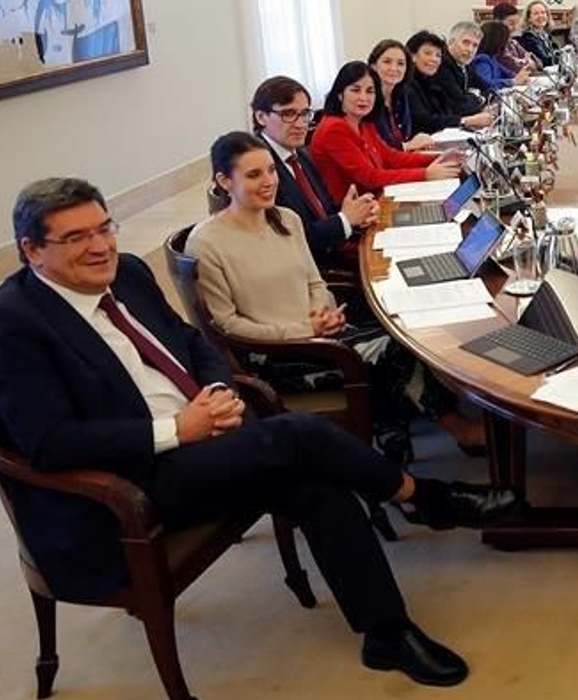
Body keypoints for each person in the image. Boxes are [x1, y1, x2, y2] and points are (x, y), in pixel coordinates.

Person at [0, 178, 517, 686]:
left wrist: (221, 392)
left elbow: (192, 342)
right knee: (301, 437)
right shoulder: (8, 329)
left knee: (315, 484)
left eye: (105, 227)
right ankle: (424, 498)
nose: (101, 246)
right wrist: (177, 428)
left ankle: (387, 633)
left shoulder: (127, 273)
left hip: (205, 436)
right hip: (128, 485)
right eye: (76, 237)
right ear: (32, 250)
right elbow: (49, 444)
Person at [189, 133, 485, 462]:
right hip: (278, 354)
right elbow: (227, 326)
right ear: (223, 180)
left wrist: (324, 312)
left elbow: (315, 282)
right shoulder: (207, 244)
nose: (269, 181)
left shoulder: (286, 220)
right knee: (393, 349)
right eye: (254, 175)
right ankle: (452, 429)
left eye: (271, 171)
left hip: (320, 335)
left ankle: (395, 437)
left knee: (402, 333)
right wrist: (304, 329)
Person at [250, 75, 378, 269]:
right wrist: (345, 220)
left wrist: (358, 214)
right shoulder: (258, 168)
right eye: (288, 114)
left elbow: (324, 211)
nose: (301, 124)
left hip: (335, 251)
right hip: (309, 273)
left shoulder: (301, 153)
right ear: (261, 117)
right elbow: (288, 240)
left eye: (304, 114)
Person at [310, 61, 461, 203]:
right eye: (355, 90)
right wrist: (426, 174)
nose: (363, 97)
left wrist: (441, 156)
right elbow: (369, 177)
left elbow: (391, 158)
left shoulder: (364, 122)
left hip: (378, 198)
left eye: (370, 91)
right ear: (340, 94)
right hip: (357, 213)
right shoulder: (334, 129)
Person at [404, 30, 492, 135]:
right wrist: (465, 121)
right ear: (412, 56)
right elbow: (424, 121)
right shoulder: (407, 84)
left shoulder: (430, 81)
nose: (434, 59)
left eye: (438, 55)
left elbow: (447, 111)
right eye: (428, 53)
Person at [366, 39, 434, 152]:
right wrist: (407, 146)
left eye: (401, 63)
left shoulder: (402, 95)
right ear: (373, 65)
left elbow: (406, 136)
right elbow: (375, 149)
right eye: (387, 61)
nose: (394, 68)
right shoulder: (367, 100)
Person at [467, 21, 531, 91]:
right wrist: (513, 81)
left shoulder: (492, 57)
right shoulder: (482, 60)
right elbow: (486, 84)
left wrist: (520, 76)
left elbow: (506, 73)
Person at [491, 2, 539, 76]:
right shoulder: (497, 45)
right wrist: (527, 61)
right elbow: (516, 68)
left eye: (516, 23)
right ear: (497, 22)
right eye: (511, 24)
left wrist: (525, 61)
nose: (515, 28)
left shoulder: (513, 42)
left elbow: (537, 64)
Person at [518, 0, 556, 67]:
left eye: (543, 12)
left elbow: (556, 53)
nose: (540, 16)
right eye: (536, 13)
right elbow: (545, 61)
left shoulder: (546, 35)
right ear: (529, 18)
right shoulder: (528, 37)